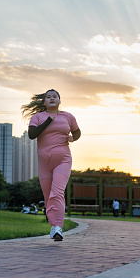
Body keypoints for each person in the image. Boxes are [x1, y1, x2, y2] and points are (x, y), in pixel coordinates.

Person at [22, 89, 81, 241]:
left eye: (55, 96)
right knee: (49, 196)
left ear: (60, 101)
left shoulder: (68, 116)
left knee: (57, 192)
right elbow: (32, 134)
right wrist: (48, 120)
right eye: (48, 97)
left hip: (63, 160)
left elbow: (77, 132)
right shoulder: (38, 117)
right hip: (44, 163)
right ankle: (53, 224)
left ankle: (58, 228)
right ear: (44, 102)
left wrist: (72, 138)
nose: (52, 98)